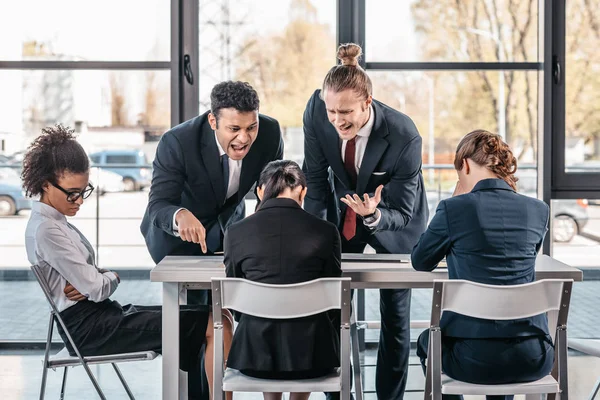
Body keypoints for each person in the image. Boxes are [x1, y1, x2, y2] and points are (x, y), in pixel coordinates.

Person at [23, 125, 233, 400]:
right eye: (72, 193)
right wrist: (108, 277)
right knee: (214, 323)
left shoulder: (53, 223)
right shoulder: (46, 230)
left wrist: (95, 278)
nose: (79, 201)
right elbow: (97, 288)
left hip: (102, 317)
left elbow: (91, 284)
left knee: (220, 317)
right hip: (91, 330)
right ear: (45, 184)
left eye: (84, 191)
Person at [302, 43, 429, 400]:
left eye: (346, 112)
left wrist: (373, 213)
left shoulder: (404, 135)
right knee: (330, 308)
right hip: (342, 213)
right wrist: (314, 236)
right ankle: (338, 395)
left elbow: (404, 211)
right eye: (331, 111)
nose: (337, 120)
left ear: (368, 102)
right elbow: (314, 179)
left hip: (393, 222)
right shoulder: (316, 112)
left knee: (395, 318)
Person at [140, 80, 282, 397]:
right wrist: (179, 215)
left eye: (251, 127)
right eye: (234, 128)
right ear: (213, 120)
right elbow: (158, 205)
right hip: (176, 240)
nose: (244, 138)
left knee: (236, 313)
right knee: (197, 323)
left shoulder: (270, 133)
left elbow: (268, 195)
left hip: (228, 231)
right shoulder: (177, 141)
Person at [411, 130, 554, 400]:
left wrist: (455, 203)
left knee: (426, 342)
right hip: (534, 357)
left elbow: (420, 261)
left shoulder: (454, 208)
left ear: (464, 165)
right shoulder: (538, 210)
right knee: (502, 334)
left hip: (472, 360)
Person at [223, 160, 342, 400]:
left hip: (254, 355)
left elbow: (235, 296)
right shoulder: (326, 231)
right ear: (303, 192)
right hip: (313, 356)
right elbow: (333, 298)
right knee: (313, 325)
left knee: (262, 320)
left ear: (260, 191)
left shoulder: (236, 232)